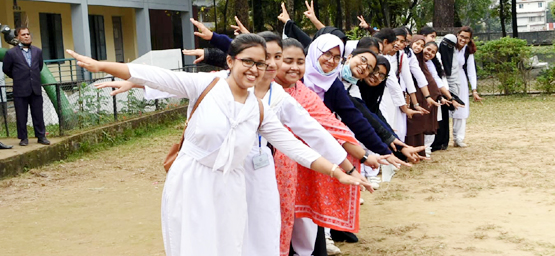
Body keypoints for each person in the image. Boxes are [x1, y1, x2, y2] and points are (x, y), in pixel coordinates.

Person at [68, 34, 371, 256]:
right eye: (247, 62)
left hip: (233, 185)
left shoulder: (260, 108)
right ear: (230, 61)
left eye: (261, 63)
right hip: (193, 181)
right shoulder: (206, 85)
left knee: (230, 245)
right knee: (195, 246)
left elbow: (296, 145)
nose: (254, 69)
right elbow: (158, 76)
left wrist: (338, 171)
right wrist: (103, 66)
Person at [2, 26, 50, 146]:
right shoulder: (11, 53)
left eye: (28, 34)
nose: (27, 36)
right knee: (21, 115)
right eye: (23, 34)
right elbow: (6, 69)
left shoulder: (37, 51)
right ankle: (23, 138)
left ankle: (41, 136)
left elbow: (39, 67)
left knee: (38, 114)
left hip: (35, 87)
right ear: (17, 37)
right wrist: (19, 76)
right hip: (20, 88)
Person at [453, 26, 483, 147]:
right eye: (461, 36)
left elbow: (471, 70)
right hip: (447, 77)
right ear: (457, 35)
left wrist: (474, 90)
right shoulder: (449, 46)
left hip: (461, 78)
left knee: (461, 108)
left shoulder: (467, 51)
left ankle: (458, 138)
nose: (463, 39)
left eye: (466, 38)